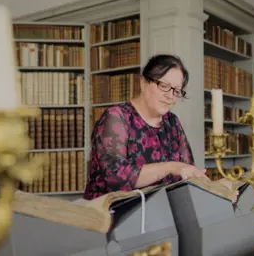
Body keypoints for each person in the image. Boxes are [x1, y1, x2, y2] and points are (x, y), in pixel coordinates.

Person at [83, 54, 208, 200]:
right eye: (164, 86)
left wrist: (217, 189)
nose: (171, 96)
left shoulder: (172, 121)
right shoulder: (116, 117)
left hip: (160, 213)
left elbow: (187, 170)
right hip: (112, 215)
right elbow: (116, 178)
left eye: (177, 90)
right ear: (143, 83)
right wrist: (170, 167)